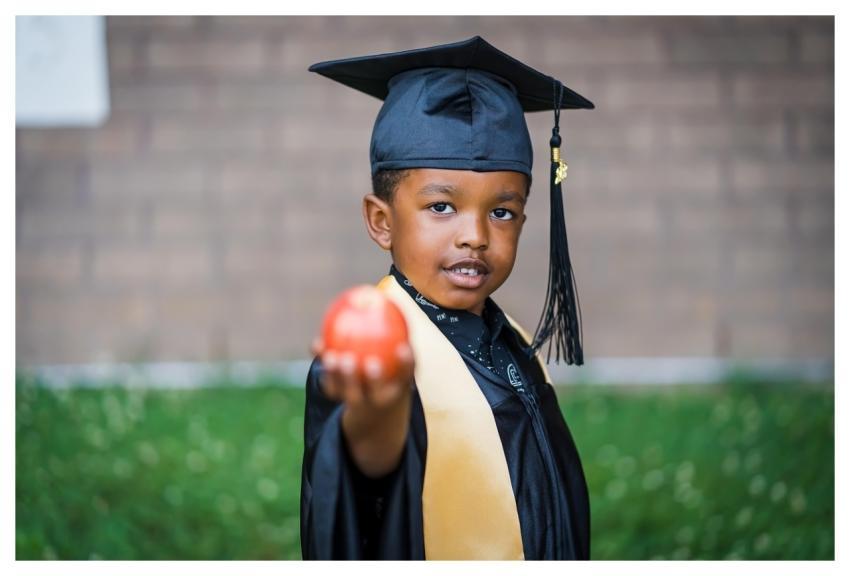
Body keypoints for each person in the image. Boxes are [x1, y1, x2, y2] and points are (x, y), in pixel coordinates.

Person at [300, 36, 592, 560]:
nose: (475, 235)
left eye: (501, 212)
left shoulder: (510, 342)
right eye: (441, 207)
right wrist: (374, 418)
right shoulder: (378, 358)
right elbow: (358, 495)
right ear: (381, 221)